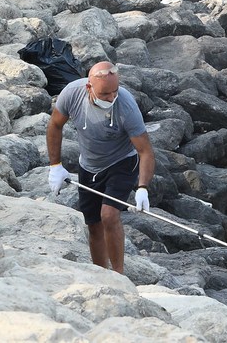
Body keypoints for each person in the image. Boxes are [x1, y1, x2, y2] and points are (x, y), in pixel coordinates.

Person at [46, 61, 156, 274]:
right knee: (94, 224)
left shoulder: (125, 106)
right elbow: (55, 126)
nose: (112, 97)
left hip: (121, 162)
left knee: (109, 215)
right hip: (89, 166)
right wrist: (55, 166)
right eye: (106, 94)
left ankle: (118, 275)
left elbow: (145, 151)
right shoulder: (72, 94)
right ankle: (100, 274)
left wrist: (143, 187)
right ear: (89, 88)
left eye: (115, 91)